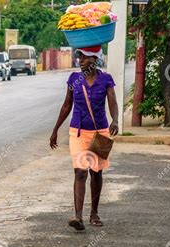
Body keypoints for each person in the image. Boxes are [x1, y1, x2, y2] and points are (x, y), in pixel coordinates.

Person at [49, 45, 119, 231]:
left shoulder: (106, 79)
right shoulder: (74, 79)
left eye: (84, 57)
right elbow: (66, 105)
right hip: (78, 133)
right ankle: (78, 216)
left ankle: (94, 212)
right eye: (79, 57)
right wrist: (55, 129)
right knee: (80, 172)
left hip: (100, 133)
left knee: (96, 172)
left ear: (94, 60)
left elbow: (112, 100)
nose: (80, 60)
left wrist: (116, 120)